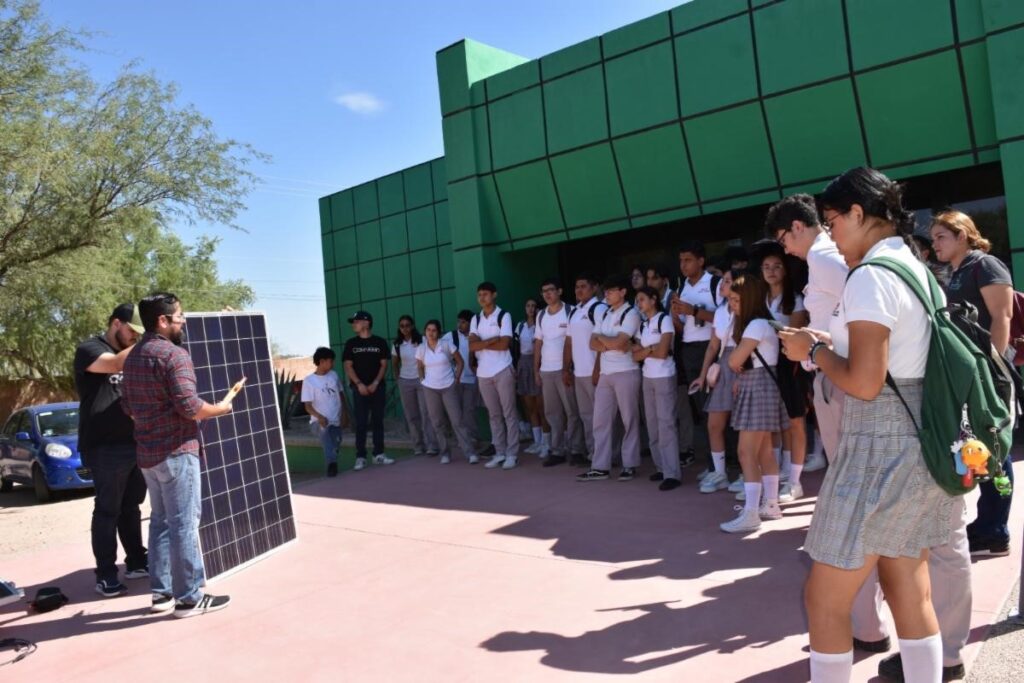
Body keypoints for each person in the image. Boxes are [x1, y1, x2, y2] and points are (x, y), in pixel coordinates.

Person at [781, 168, 954, 682]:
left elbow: (864, 382)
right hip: (921, 441)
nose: (830, 233)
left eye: (833, 222)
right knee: (909, 587)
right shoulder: (914, 266)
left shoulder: (871, 276)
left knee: (824, 599)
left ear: (860, 214)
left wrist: (811, 348)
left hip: (878, 447)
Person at [120, 292, 233, 618]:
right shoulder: (174, 356)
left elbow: (127, 407)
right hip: (177, 454)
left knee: (160, 523)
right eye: (179, 316)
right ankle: (189, 598)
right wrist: (221, 409)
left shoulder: (134, 358)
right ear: (163, 321)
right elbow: (190, 407)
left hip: (148, 456)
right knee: (184, 524)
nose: (183, 321)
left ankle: (162, 595)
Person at [931, 209, 1015, 557]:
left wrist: (990, 367)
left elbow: (1002, 317)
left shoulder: (986, 265)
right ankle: (987, 524)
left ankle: (995, 530)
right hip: (969, 374)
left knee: (997, 448)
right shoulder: (955, 272)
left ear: (962, 234)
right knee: (980, 447)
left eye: (941, 237)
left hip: (988, 373)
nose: (934, 244)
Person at [74, 303, 148, 598]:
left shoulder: (136, 349)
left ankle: (137, 561)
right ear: (117, 323)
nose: (136, 337)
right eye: (134, 331)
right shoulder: (90, 348)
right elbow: (116, 364)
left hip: (134, 442)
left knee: (131, 507)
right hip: (104, 446)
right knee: (107, 510)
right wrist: (152, 338)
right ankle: (105, 574)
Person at [767, 194, 845, 473]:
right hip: (833, 368)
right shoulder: (822, 257)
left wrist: (818, 343)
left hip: (838, 373)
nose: (785, 250)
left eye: (783, 240)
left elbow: (862, 308)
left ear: (797, 227)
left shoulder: (823, 257)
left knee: (845, 467)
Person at [719, 274, 788, 533]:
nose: (732, 305)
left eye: (736, 300)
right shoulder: (763, 322)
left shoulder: (754, 325)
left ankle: (751, 513)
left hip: (757, 386)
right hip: (763, 385)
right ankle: (770, 504)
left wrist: (735, 361)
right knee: (764, 451)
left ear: (748, 300)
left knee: (746, 452)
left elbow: (734, 360)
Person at [577, 275, 642, 482]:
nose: (607, 294)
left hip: (626, 372)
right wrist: (610, 343)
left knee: (629, 419)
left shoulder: (631, 313)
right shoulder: (605, 313)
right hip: (606, 373)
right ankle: (600, 466)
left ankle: (629, 465)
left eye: (612, 291)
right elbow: (592, 343)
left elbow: (621, 342)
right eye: (606, 291)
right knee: (600, 420)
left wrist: (606, 342)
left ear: (623, 292)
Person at [760, 246, 811, 502]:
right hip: (763, 365)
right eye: (766, 266)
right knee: (773, 423)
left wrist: (773, 328)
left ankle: (794, 482)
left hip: (788, 363)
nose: (771, 271)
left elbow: (798, 332)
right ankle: (778, 472)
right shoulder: (758, 300)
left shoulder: (795, 299)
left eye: (776, 266)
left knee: (795, 421)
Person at [670, 241, 718, 472]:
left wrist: (695, 311)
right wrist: (675, 317)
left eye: (688, 259)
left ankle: (727, 463)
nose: (683, 265)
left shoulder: (715, 284)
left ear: (701, 261)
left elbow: (725, 319)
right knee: (701, 409)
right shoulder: (681, 288)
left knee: (719, 408)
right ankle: (713, 465)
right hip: (689, 350)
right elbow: (682, 327)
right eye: (681, 260)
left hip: (711, 348)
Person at [692, 269, 737, 494]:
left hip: (743, 364)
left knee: (745, 425)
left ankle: (751, 473)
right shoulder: (720, 311)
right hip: (723, 365)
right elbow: (712, 345)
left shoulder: (748, 308)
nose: (722, 284)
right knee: (714, 423)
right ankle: (720, 474)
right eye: (723, 280)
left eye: (727, 281)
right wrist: (702, 376)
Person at [632, 286, 680, 490]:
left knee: (666, 424)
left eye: (642, 299)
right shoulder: (643, 325)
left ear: (653, 299)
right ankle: (660, 467)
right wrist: (652, 348)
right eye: (637, 300)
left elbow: (663, 353)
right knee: (652, 424)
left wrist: (647, 351)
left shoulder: (664, 319)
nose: (639, 303)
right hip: (648, 377)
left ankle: (672, 473)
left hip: (664, 376)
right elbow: (635, 355)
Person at [469, 282, 520, 470]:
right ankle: (500, 452)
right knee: (494, 415)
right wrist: (491, 340)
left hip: (502, 369)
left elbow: (504, 345)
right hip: (483, 373)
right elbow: (472, 346)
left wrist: (482, 343)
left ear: (494, 295)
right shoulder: (476, 318)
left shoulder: (503, 315)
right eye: (479, 294)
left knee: (509, 413)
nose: (482, 297)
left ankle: (512, 454)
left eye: (485, 294)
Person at [534, 278, 584, 467]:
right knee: (552, 413)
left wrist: (568, 368)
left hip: (566, 370)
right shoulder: (541, 315)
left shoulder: (571, 312)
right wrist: (535, 370)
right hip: (546, 371)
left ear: (560, 291)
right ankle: (557, 451)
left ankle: (576, 449)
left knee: (573, 412)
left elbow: (574, 342)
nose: (547, 294)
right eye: (544, 291)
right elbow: (538, 343)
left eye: (551, 290)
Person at [416, 320, 478, 465]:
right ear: (425, 332)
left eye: (434, 330)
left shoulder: (446, 344)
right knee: (437, 422)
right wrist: (422, 380)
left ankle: (470, 453)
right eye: (428, 330)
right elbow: (419, 366)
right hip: (430, 388)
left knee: (457, 420)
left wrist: (456, 378)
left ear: (438, 332)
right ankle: (445, 453)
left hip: (448, 387)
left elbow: (460, 362)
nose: (431, 333)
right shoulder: (421, 348)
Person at [342, 311, 395, 471]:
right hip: (359, 389)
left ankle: (379, 454)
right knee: (361, 423)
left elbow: (384, 365)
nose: (353, 324)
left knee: (378, 421)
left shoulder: (379, 342)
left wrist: (375, 383)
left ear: (366, 323)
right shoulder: (351, 343)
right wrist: (359, 384)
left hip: (377, 388)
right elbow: (348, 366)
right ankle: (361, 457)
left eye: (356, 321)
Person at [565, 273, 608, 465]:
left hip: (595, 372)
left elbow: (602, 341)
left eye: (583, 286)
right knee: (586, 416)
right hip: (579, 373)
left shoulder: (599, 309)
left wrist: (597, 369)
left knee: (603, 417)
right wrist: (566, 369)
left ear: (594, 288)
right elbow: (569, 342)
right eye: (576, 287)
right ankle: (593, 454)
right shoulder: (573, 312)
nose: (579, 290)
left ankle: (609, 455)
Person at [392, 315, 438, 456]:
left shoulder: (422, 340)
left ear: (412, 326)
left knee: (426, 413)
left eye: (407, 325)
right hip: (405, 381)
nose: (405, 328)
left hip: (422, 380)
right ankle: (418, 446)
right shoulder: (397, 344)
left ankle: (432, 445)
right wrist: (398, 378)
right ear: (399, 328)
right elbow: (394, 363)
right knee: (411, 415)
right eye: (402, 326)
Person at [301, 347, 345, 477]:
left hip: (336, 420)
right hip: (318, 421)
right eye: (331, 361)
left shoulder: (334, 375)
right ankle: (332, 466)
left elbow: (341, 395)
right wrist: (319, 417)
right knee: (324, 432)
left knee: (336, 443)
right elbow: (307, 406)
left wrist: (346, 414)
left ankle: (332, 461)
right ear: (321, 361)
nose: (333, 364)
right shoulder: (309, 381)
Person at [515, 298, 549, 457]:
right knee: (530, 407)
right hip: (523, 364)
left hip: (538, 364)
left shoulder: (541, 325)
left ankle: (546, 443)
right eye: (528, 306)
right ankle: (537, 441)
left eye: (534, 306)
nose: (531, 309)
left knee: (542, 407)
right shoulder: (520, 326)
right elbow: (515, 348)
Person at [454, 309, 485, 453]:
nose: (460, 324)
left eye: (463, 322)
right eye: (459, 321)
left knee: (469, 411)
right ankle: (464, 439)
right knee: (458, 412)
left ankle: (474, 439)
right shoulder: (451, 337)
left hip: (472, 379)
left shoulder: (477, 336)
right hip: (457, 380)